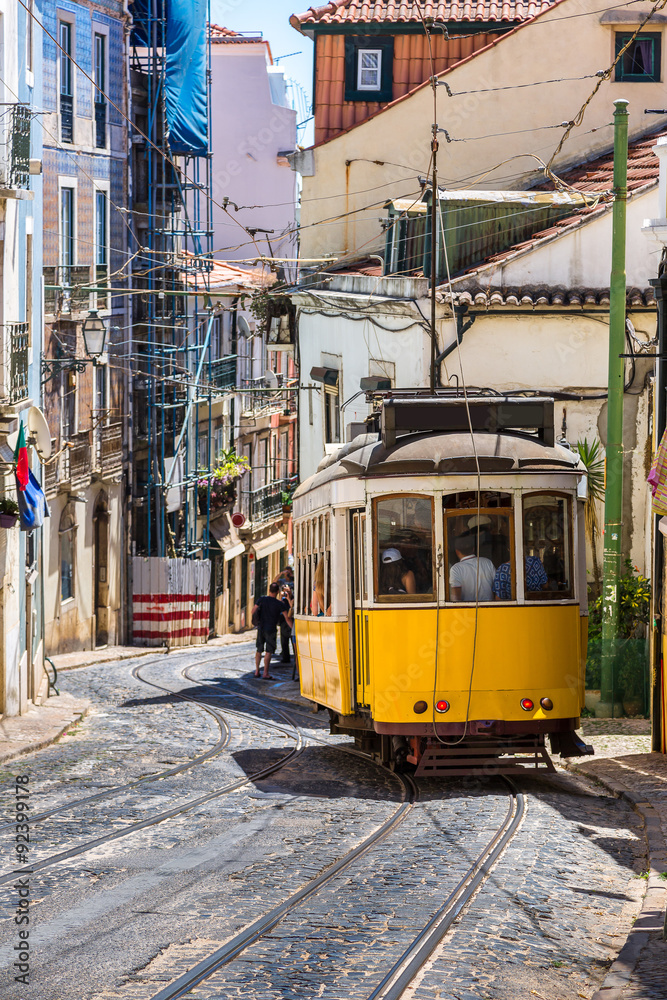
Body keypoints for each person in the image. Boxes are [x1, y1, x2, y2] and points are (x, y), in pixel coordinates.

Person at [252, 582, 289, 679]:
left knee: (259, 650)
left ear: (269, 590)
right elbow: (287, 618)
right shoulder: (280, 604)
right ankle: (265, 673)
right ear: (277, 592)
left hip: (261, 628)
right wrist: (293, 628)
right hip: (271, 629)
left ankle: (256, 671)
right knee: (269, 651)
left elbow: (253, 611)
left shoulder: (261, 600)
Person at [449, 533, 495, 602]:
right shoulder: (487, 562)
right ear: (473, 549)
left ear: (457, 551)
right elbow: (497, 586)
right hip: (490, 609)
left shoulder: (456, 569)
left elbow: (456, 597)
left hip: (467, 611)